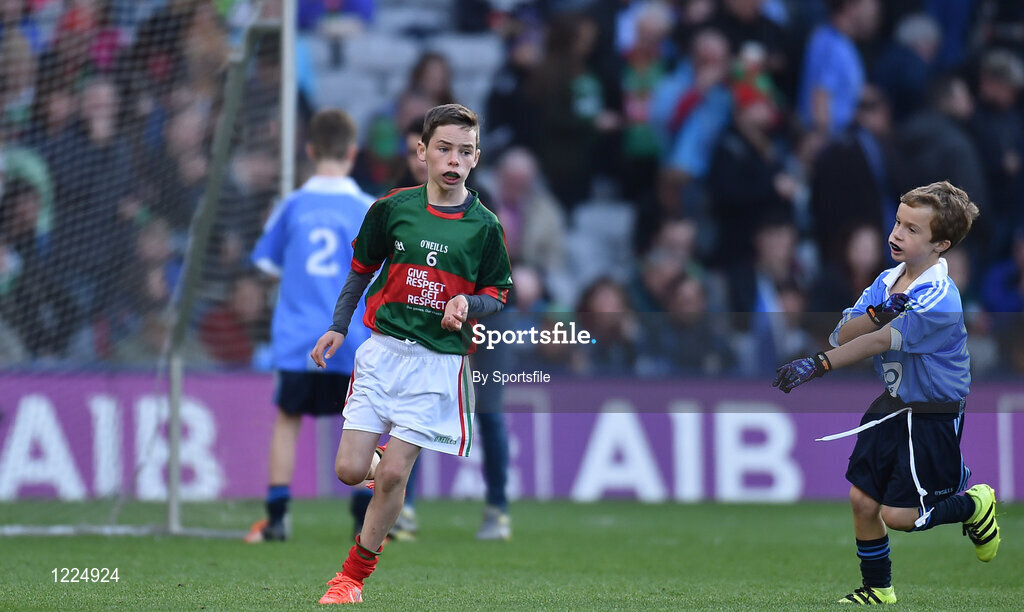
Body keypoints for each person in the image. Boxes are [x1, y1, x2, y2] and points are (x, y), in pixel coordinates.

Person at [310, 103, 513, 604]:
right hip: (382, 354)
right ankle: (382, 470)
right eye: (443, 148)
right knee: (351, 472)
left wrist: (469, 302)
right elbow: (362, 267)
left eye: (464, 151)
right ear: (422, 151)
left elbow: (499, 293)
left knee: (396, 473)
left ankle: (351, 578)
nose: (453, 159)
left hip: (438, 363)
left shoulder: (485, 226)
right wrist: (338, 326)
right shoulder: (392, 208)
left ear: (476, 158)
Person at [772, 181, 1000, 605]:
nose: (897, 234)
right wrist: (876, 312)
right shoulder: (887, 279)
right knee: (862, 498)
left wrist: (818, 364)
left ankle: (974, 503)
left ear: (941, 244)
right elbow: (844, 333)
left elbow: (879, 342)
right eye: (898, 222)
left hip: (932, 411)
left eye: (913, 229)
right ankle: (878, 588)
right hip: (895, 403)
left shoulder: (939, 297)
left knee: (900, 517)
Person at [243, 109, 375, 543]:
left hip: (299, 337)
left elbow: (265, 262)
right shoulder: (367, 208)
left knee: (287, 420)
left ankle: (277, 518)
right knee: (358, 424)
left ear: (310, 150)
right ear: (352, 153)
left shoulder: (293, 205)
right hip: (352, 339)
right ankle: (364, 521)